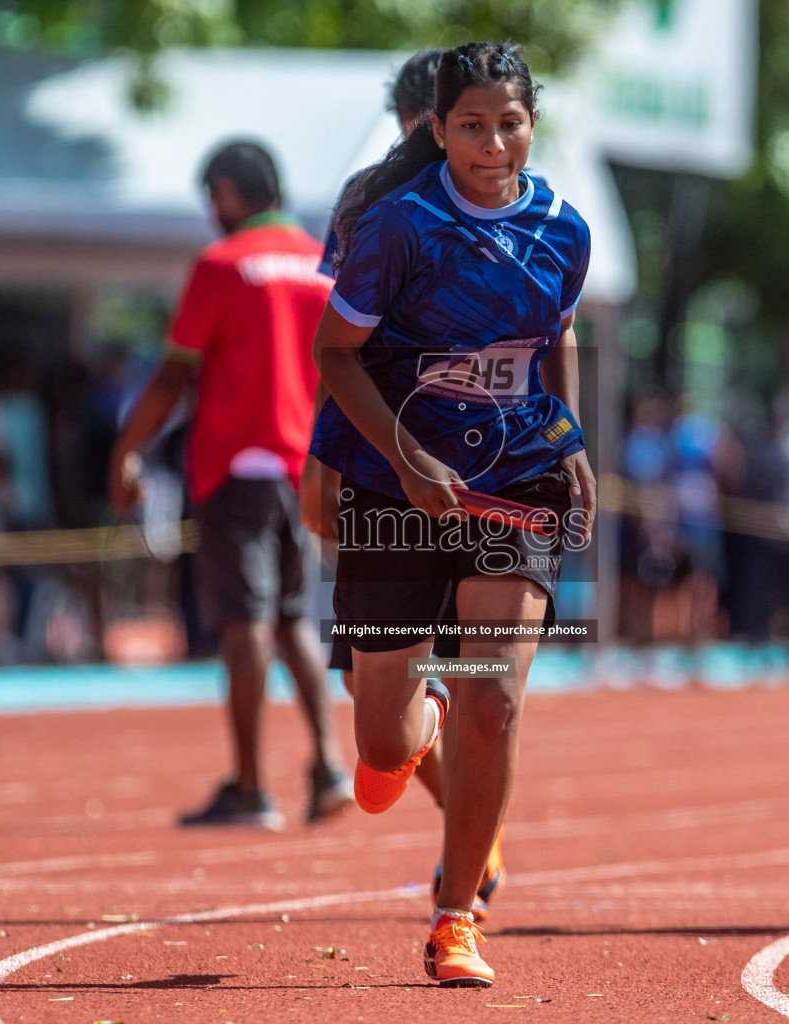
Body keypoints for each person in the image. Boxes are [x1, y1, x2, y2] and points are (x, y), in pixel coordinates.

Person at [310, 41, 595, 987]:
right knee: (382, 745)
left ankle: (455, 915)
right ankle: (417, 715)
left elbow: (549, 345)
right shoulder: (395, 225)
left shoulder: (564, 229)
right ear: (438, 130)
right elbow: (335, 354)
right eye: (470, 123)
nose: (491, 140)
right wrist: (397, 457)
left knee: (496, 695)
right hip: (397, 486)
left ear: (531, 124)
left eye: (508, 121)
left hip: (515, 483)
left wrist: (572, 442)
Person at [300, 46, 507, 921]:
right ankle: (460, 805)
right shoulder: (370, 205)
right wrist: (323, 459)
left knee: (488, 684)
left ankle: (465, 860)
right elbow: (337, 342)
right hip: (380, 464)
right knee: (373, 703)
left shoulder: (517, 209)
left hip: (485, 470)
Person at [110, 140, 354, 830]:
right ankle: (329, 765)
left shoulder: (221, 266)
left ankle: (250, 786)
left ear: (228, 190)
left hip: (235, 466)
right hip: (300, 467)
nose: (210, 213)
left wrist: (125, 452)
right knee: (291, 620)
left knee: (244, 622)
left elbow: (172, 375)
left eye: (211, 199)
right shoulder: (321, 265)